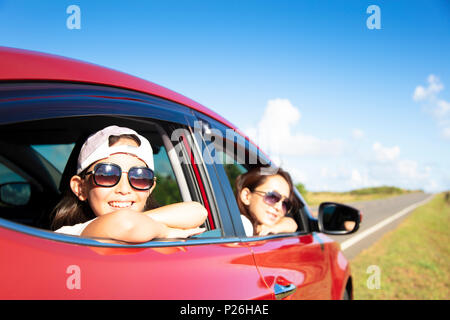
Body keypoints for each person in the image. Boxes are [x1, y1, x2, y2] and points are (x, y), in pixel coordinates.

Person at [51, 125, 208, 243]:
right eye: (107, 174)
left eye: (139, 177)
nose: (124, 189)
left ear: (150, 188)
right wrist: (163, 231)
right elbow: (125, 222)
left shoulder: (144, 225)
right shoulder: (68, 235)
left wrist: (146, 223)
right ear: (80, 188)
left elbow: (198, 211)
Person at [235, 167, 298, 236]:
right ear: (246, 196)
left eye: (285, 203)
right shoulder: (242, 225)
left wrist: (273, 228)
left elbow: (292, 224)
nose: (279, 207)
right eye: (272, 197)